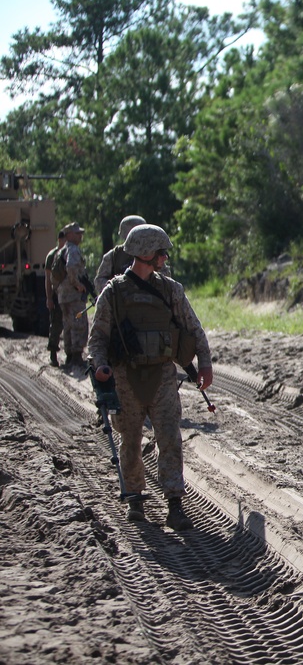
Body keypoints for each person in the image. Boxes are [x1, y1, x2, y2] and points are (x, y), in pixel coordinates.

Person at [87, 224, 213, 530]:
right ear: (145, 254)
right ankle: (134, 499)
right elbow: (97, 339)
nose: (164, 257)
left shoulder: (171, 289)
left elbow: (194, 328)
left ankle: (174, 503)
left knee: (169, 437)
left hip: (162, 376)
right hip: (125, 378)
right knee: (130, 441)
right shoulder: (113, 293)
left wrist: (205, 364)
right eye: (160, 252)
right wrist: (101, 366)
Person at [55, 222, 90, 368]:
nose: (80, 236)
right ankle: (76, 356)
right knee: (79, 324)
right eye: (77, 233)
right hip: (73, 295)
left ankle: (70, 355)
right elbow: (70, 267)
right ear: (69, 235)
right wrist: (78, 285)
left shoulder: (61, 250)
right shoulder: (73, 250)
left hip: (63, 295)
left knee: (68, 324)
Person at [94, 215, 147, 293]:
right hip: (122, 301)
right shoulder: (113, 255)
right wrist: (115, 288)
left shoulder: (151, 254)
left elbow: (164, 278)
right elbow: (99, 280)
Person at [44, 230, 66, 367]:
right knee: (56, 325)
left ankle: (72, 355)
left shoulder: (69, 253)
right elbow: (47, 279)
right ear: (59, 240)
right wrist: (49, 298)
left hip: (68, 295)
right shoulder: (52, 256)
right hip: (56, 295)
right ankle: (53, 353)